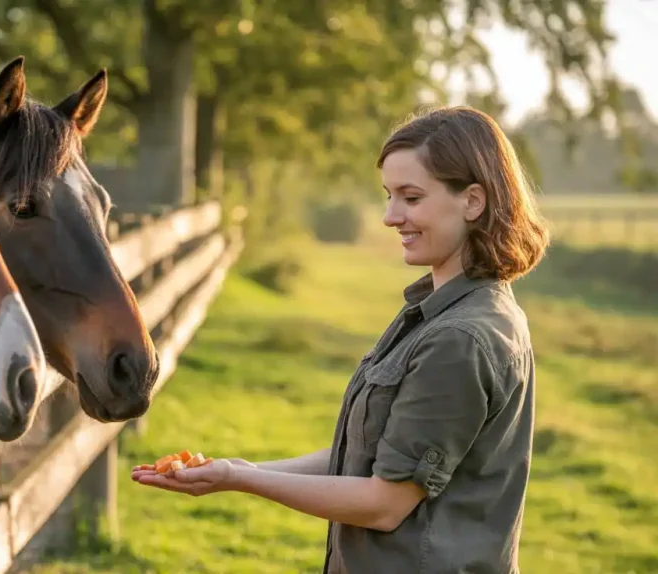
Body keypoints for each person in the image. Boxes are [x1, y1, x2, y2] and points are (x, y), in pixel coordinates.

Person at [131, 105, 550, 573]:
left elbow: (384, 502)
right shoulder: (438, 310)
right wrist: (240, 470)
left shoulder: (461, 338)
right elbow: (367, 456)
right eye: (389, 196)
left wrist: (240, 481)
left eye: (411, 198)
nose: (391, 216)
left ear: (473, 201)